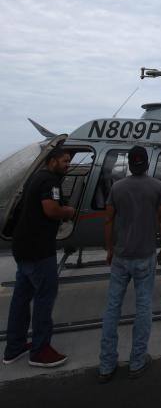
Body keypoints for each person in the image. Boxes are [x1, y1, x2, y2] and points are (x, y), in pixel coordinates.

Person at [98, 145, 161, 382]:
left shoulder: (117, 188)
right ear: (147, 164)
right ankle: (137, 362)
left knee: (112, 309)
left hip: (120, 257)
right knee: (143, 308)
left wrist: (110, 249)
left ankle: (107, 365)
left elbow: (108, 221)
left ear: (129, 163)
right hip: (145, 257)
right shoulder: (158, 187)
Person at [3, 146, 75, 368]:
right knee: (44, 298)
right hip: (39, 250)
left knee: (21, 298)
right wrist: (68, 212)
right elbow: (51, 210)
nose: (67, 165)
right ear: (52, 161)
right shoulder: (50, 181)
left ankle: (13, 348)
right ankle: (40, 351)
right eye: (64, 161)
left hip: (23, 247)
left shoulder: (36, 177)